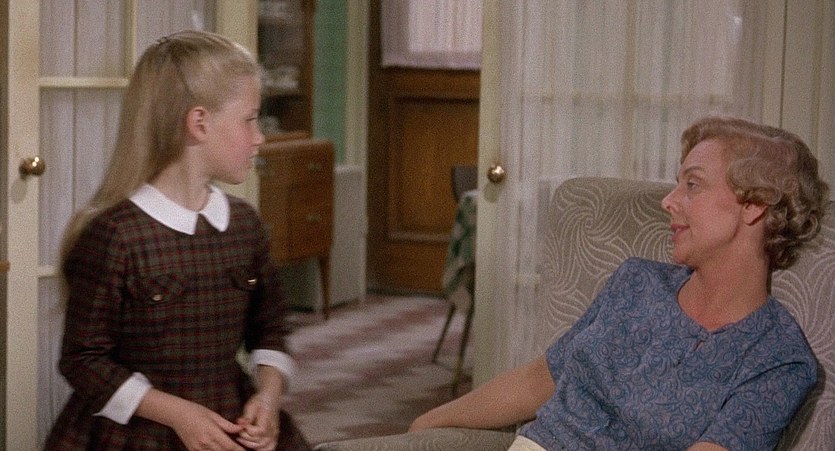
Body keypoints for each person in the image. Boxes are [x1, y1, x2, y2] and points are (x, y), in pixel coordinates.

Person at [409, 116, 830, 450]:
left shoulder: (778, 359)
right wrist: (429, 422)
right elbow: (542, 378)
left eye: (693, 184)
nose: (669, 201)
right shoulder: (638, 283)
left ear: (755, 204)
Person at [45, 30, 310, 450]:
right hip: (138, 434)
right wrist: (179, 415)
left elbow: (270, 328)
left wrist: (268, 396)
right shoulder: (116, 236)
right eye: (249, 119)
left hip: (228, 422)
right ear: (199, 123)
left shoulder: (244, 225)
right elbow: (83, 361)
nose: (259, 136)